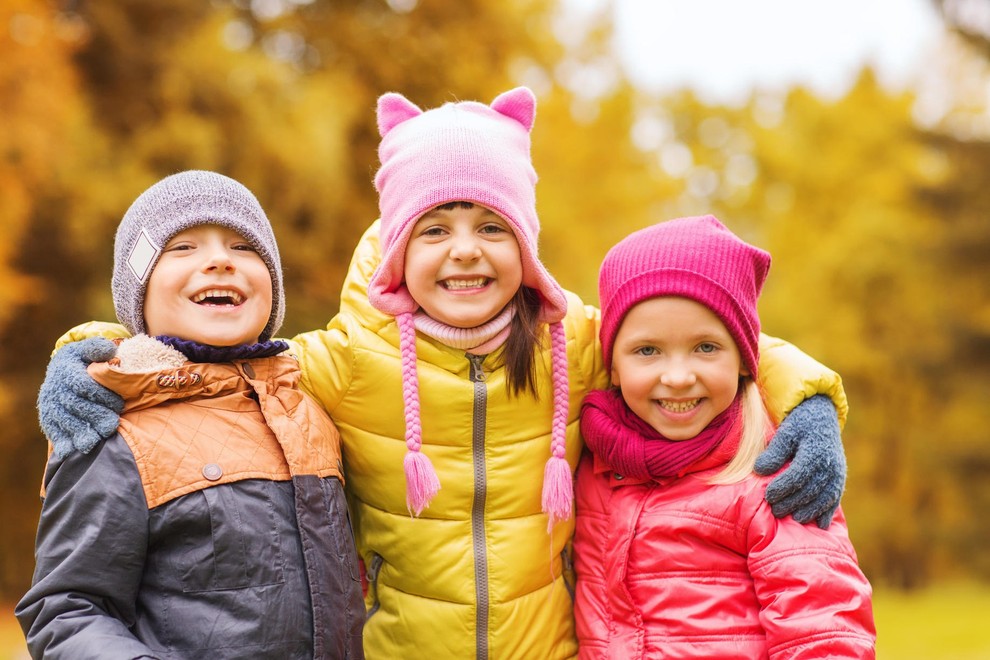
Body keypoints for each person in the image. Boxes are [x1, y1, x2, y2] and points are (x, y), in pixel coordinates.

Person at [37, 89, 848, 659]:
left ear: (524, 246)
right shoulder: (346, 361)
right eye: (435, 228)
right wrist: (94, 346)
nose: (464, 249)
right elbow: (217, 360)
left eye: (490, 225)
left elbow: (698, 336)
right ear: (397, 251)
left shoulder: (578, 345)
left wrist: (808, 398)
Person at [16, 171, 365, 659]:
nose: (220, 260)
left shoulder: (310, 407)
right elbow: (66, 610)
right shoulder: (115, 428)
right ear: (140, 295)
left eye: (244, 247)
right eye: (182, 248)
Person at [573, 215, 876, 659]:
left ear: (743, 359)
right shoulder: (592, 462)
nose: (677, 377)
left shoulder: (774, 474)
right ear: (612, 365)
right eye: (647, 350)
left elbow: (822, 629)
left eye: (706, 347)